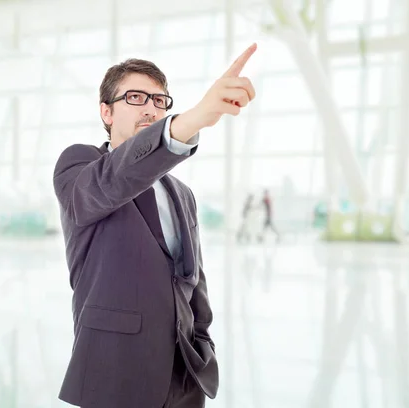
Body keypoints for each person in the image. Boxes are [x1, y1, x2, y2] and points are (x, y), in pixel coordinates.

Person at [53, 43, 257, 408]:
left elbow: (193, 284)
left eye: (160, 101)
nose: (151, 107)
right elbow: (116, 177)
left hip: (184, 380)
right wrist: (192, 120)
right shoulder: (81, 167)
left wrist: (202, 344)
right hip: (115, 377)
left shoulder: (182, 193)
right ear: (107, 112)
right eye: (135, 97)